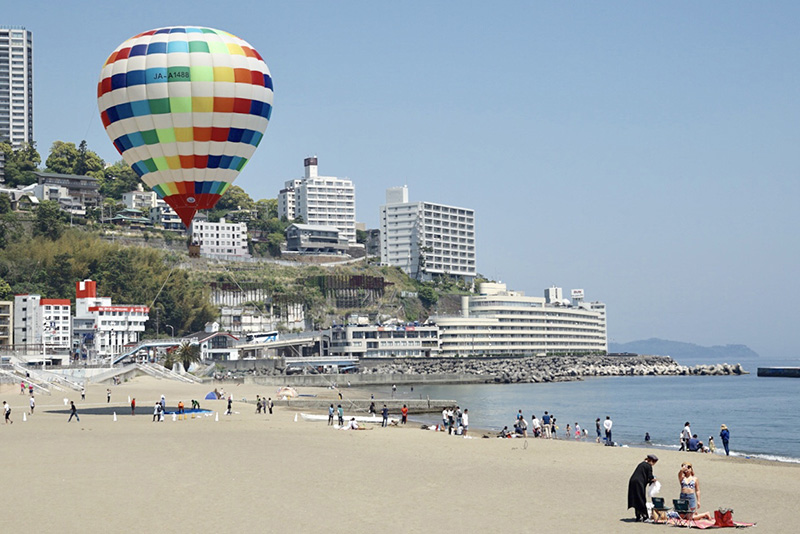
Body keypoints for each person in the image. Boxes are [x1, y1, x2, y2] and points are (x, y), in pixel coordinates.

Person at [627, 454, 658, 522]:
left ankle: (638, 516)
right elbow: (650, 477)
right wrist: (654, 480)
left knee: (636, 499)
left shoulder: (641, 464)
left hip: (632, 481)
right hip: (639, 483)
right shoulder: (648, 466)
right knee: (641, 499)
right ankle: (645, 516)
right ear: (652, 461)